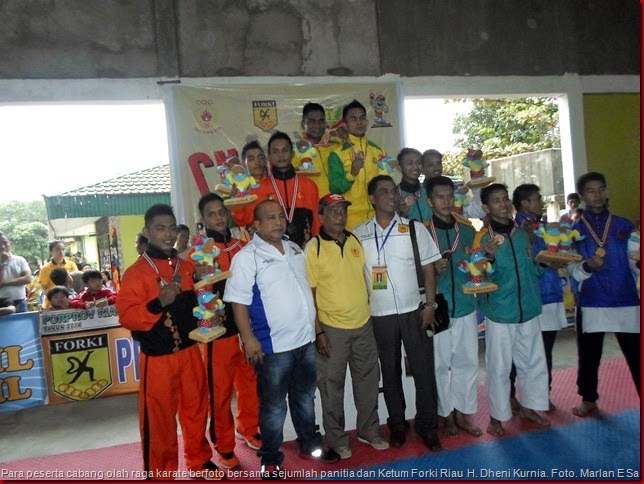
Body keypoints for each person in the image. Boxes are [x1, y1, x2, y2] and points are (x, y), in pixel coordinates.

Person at [224, 200, 340, 479]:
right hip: (272, 347)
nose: (277, 222)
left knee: (305, 399)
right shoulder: (246, 257)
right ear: (256, 225)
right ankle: (271, 459)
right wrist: (249, 339)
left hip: (304, 341)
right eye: (270, 218)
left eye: (280, 217)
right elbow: (238, 303)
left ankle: (310, 445)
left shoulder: (295, 249)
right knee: (274, 407)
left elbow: (304, 294)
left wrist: (317, 330)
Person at [116, 204, 222, 479]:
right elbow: (126, 316)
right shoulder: (135, 273)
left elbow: (203, 303)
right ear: (146, 231)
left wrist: (208, 289)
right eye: (160, 228)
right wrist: (156, 303)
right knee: (159, 419)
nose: (167, 234)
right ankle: (162, 473)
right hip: (158, 359)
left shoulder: (187, 267)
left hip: (189, 352)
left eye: (171, 228)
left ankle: (199, 461)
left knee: (197, 410)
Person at [353, 175, 443, 451]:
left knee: (423, 370)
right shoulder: (358, 234)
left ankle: (428, 427)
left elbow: (429, 268)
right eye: (384, 192)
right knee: (389, 374)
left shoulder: (414, 228)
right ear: (372, 198)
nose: (391, 196)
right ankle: (398, 426)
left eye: (393, 191)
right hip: (379, 315)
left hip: (414, 312)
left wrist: (429, 305)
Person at [305, 193, 388, 459]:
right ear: (321, 217)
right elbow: (310, 295)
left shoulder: (355, 240)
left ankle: (369, 430)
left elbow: (372, 275)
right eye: (333, 212)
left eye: (342, 211)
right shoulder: (313, 247)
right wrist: (318, 332)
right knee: (332, 386)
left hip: (363, 324)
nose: (339, 216)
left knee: (368, 381)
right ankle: (337, 439)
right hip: (331, 330)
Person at [477, 183, 550, 437]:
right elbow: (478, 277)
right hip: (500, 311)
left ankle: (531, 406)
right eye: (496, 200)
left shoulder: (522, 235)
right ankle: (497, 416)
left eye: (506, 199)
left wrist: (545, 264)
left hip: (528, 307)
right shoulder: (483, 239)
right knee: (498, 366)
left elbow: (531, 269)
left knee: (532, 361)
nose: (504, 204)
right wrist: (488, 259)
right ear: (486, 207)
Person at [197, 193, 260, 470]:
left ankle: (248, 426)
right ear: (203, 219)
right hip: (217, 333)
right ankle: (223, 446)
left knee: (250, 382)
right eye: (211, 214)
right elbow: (197, 291)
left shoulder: (243, 245)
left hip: (245, 327)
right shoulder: (199, 249)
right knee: (219, 393)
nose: (218, 217)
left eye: (221, 211)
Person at [568, 172, 640, 417]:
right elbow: (571, 268)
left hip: (625, 296)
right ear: (582, 196)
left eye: (601, 189)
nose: (597, 195)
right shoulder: (574, 231)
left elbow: (635, 261)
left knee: (636, 353)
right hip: (592, 299)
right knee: (588, 354)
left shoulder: (624, 225)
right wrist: (586, 267)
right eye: (591, 191)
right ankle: (588, 399)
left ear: (607, 191)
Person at [425, 176, 482, 437]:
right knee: (440, 363)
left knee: (467, 361)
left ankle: (463, 412)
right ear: (429, 201)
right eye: (440, 196)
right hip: (439, 306)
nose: (446, 201)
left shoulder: (468, 230)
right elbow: (414, 272)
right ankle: (446, 414)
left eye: (450, 196)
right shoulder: (423, 232)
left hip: (466, 303)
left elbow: (476, 265)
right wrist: (433, 271)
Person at [511, 184, 568, 412]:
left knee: (545, 350)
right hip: (528, 297)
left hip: (552, 293)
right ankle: (513, 395)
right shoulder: (514, 229)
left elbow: (556, 254)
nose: (540, 202)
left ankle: (542, 395)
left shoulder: (547, 227)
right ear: (524, 203)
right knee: (520, 351)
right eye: (536, 198)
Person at [231, 131, 320, 249]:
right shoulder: (259, 189)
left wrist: (317, 248)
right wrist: (238, 200)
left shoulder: (309, 185)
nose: (281, 155)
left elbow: (317, 223)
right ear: (269, 156)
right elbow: (243, 220)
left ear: (292, 153)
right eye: (275, 151)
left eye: (285, 150)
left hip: (306, 252)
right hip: (273, 255)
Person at [328, 100, 390, 229]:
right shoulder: (337, 154)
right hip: (350, 218)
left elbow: (385, 183)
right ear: (344, 125)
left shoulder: (378, 150)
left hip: (377, 217)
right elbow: (335, 189)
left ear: (367, 121)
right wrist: (352, 174)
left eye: (362, 118)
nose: (359, 122)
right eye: (353, 119)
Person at [292, 102, 342, 197]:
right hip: (310, 205)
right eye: (311, 121)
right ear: (303, 124)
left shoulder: (337, 146)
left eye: (321, 121)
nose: (317, 126)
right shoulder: (295, 151)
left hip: (335, 205)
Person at [396, 148, 432, 225]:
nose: (415, 167)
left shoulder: (429, 192)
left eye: (418, 163)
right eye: (409, 163)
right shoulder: (394, 194)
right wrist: (402, 214)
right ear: (399, 167)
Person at [0, 233, 32, 313]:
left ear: (10, 244)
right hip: (2, 306)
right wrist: (3, 263)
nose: (3, 247)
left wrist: (5, 283)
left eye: (5, 243)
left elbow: (27, 279)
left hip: (20, 303)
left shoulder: (20, 260)